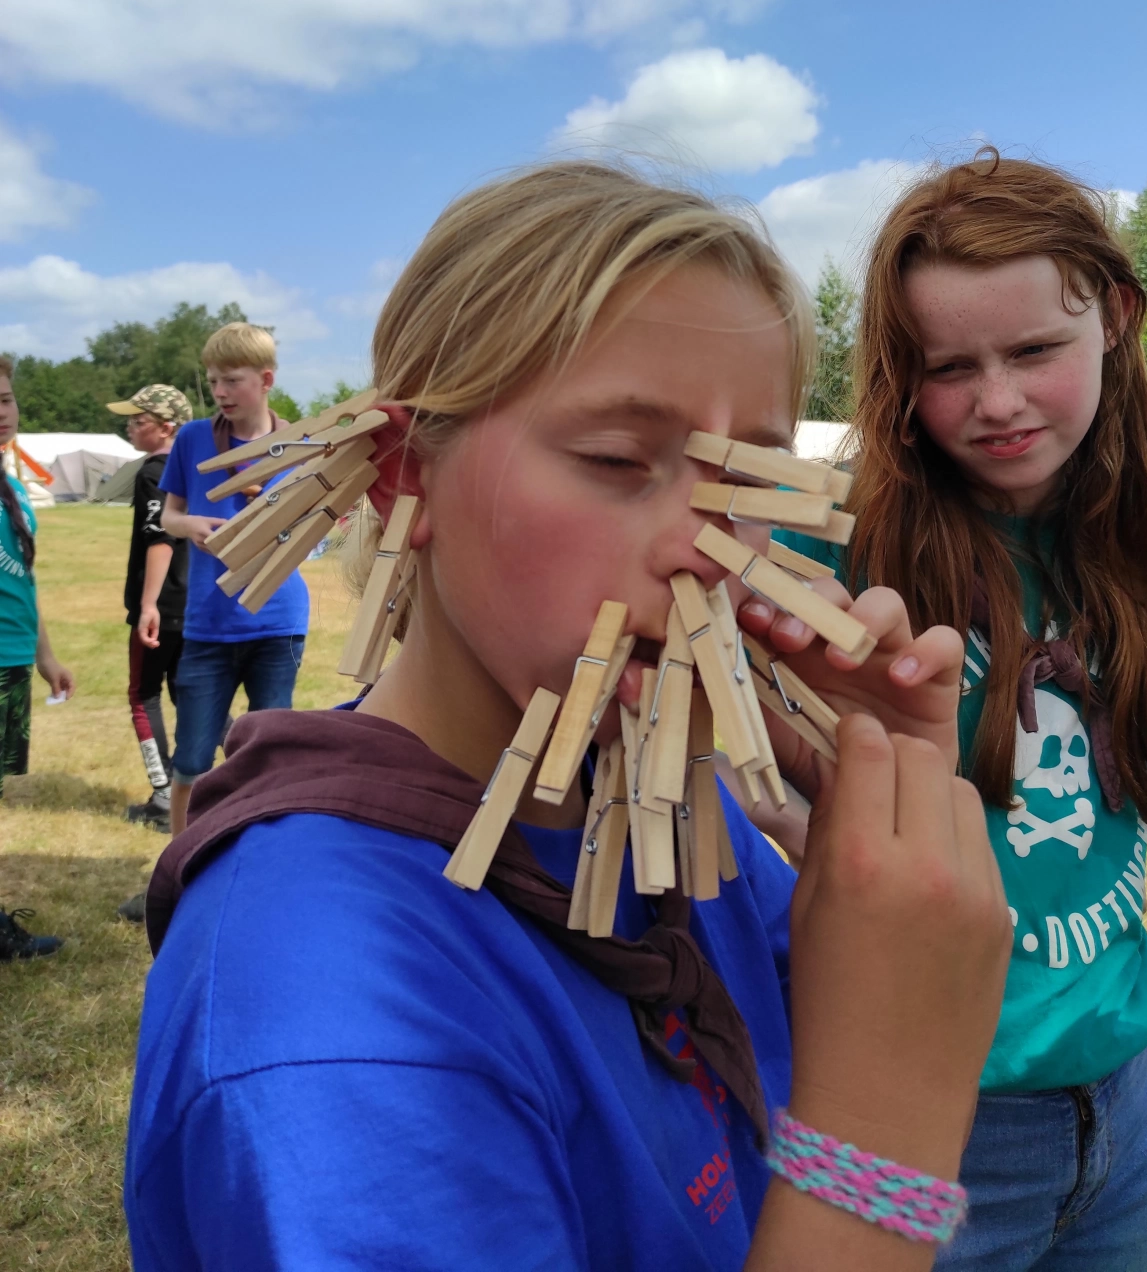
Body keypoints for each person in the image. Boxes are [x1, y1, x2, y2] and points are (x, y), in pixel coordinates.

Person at [127, 163, 1011, 1271]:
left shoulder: (673, 820)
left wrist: (887, 804)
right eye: (619, 460)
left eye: (752, 482)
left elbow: (855, 1014)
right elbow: (870, 1095)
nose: (712, 546)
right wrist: (884, 1138)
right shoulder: (330, 1018)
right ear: (404, 476)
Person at [775, 151, 1147, 1270]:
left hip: (1125, 1105)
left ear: (1113, 317)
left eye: (1035, 351)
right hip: (930, 1126)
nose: (997, 402)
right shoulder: (832, 541)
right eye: (950, 366)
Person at [159, 323, 308, 837]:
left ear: (265, 380)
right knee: (192, 761)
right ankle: (178, 869)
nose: (220, 391)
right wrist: (191, 526)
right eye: (213, 380)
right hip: (208, 624)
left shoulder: (301, 445)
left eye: (232, 380)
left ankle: (261, 856)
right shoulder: (193, 438)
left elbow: (322, 530)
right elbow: (168, 516)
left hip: (277, 623)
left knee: (270, 757)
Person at [0, 354, 75, 958]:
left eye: (4, 398)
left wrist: (45, 654)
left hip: (13, 661)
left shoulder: (16, 492)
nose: (1, 412)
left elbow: (23, 582)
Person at [106, 385, 193, 833]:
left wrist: (146, 605)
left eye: (138, 420)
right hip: (196, 602)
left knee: (144, 695)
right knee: (195, 696)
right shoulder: (199, 467)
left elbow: (161, 538)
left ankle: (164, 796)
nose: (129, 427)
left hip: (164, 605)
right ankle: (210, 783)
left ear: (165, 427)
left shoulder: (155, 471)